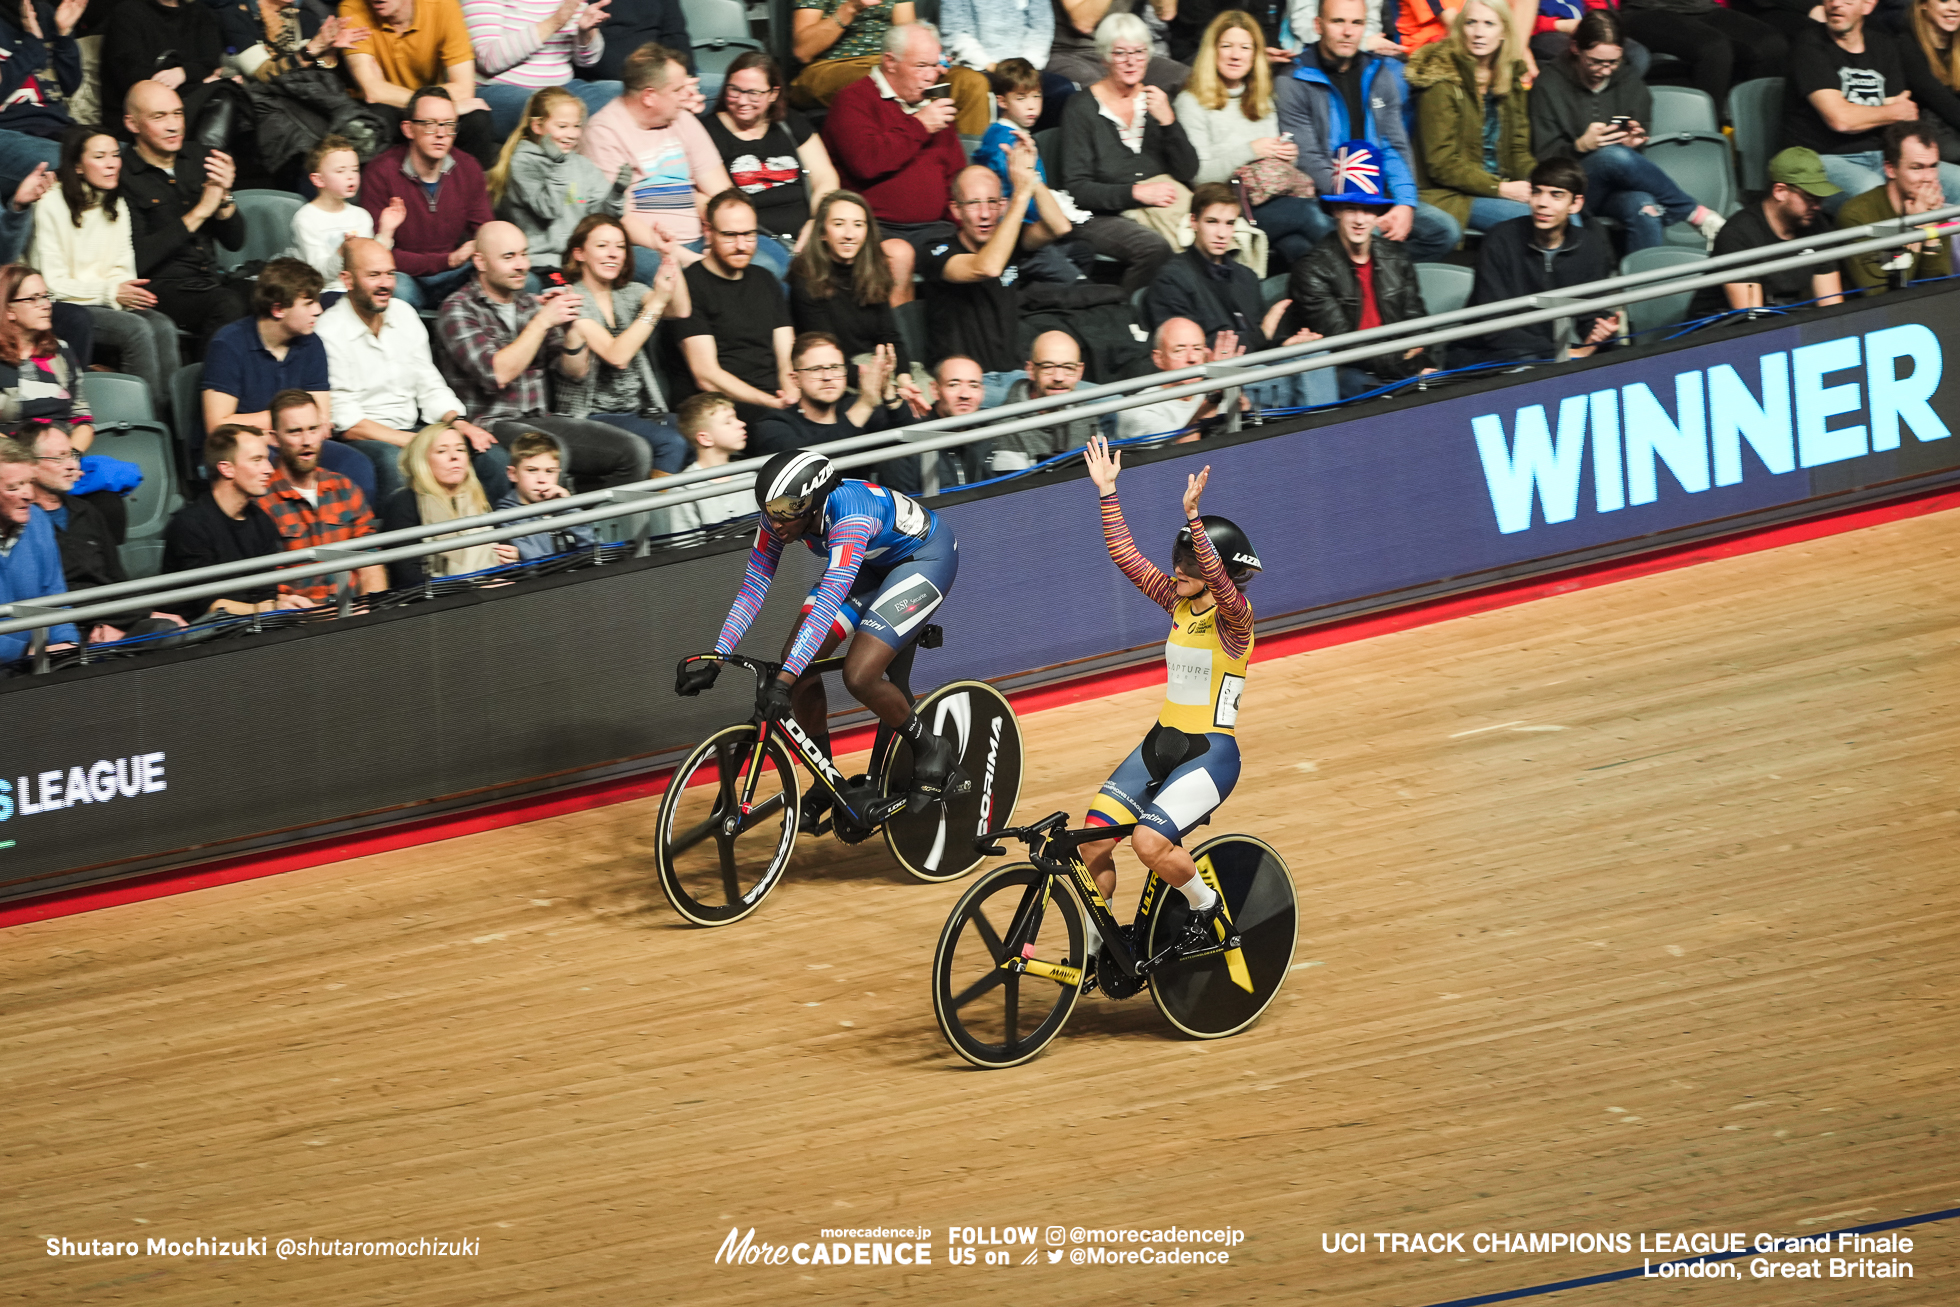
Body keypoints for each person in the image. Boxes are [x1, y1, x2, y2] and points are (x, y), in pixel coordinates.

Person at [675, 446, 967, 819]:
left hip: (924, 560)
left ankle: (931, 748)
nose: (776, 521)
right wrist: (717, 658)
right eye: (769, 509)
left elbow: (830, 598)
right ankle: (824, 779)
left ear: (814, 501)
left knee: (859, 675)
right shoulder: (778, 518)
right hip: (872, 563)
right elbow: (753, 587)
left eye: (785, 511)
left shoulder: (850, 516)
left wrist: (783, 681)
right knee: (795, 663)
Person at [1076, 434, 1257, 953]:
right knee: (1092, 847)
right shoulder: (1177, 602)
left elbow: (1221, 584)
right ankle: (1097, 950)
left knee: (1148, 843)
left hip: (1210, 755)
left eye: (1192, 565)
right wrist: (1108, 493)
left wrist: (1194, 519)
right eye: (1179, 559)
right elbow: (1125, 557)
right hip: (1162, 742)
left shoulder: (1235, 621)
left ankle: (1207, 906)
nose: (1179, 570)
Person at [436, 220, 651, 490]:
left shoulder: (528, 304)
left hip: (540, 418)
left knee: (633, 451)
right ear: (480, 261)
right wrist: (542, 322)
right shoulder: (458, 309)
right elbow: (497, 373)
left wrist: (572, 329)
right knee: (549, 454)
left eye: (524, 254)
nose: (522, 265)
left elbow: (573, 372)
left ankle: (599, 531)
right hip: (491, 423)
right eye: (509, 257)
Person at [320, 236, 504, 501]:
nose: (385, 284)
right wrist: (417, 443)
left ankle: (493, 538)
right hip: (367, 437)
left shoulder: (404, 313)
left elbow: (428, 382)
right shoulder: (329, 331)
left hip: (414, 429)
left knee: (492, 458)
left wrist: (459, 424)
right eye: (374, 275)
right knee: (396, 463)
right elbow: (346, 421)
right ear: (347, 280)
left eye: (390, 274)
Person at [1278, 0, 1460, 262]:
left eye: (1356, 23)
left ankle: (1378, 273)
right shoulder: (1293, 80)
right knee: (1317, 239)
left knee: (1445, 231)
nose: (1348, 31)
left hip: (1378, 194)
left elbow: (1393, 145)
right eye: (1337, 21)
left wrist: (1405, 204)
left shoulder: (1379, 73)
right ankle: (1371, 277)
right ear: (1318, 25)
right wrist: (1361, 209)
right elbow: (1309, 159)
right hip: (1328, 200)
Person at [1528, 11, 1725, 251]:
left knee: (1645, 207)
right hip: (1567, 186)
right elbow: (1543, 159)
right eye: (1595, 61)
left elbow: (1633, 132)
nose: (1605, 70)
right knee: (1613, 156)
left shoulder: (1629, 81)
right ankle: (1694, 212)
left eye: (1613, 62)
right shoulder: (1549, 84)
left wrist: (1634, 143)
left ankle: (1647, 285)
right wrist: (1579, 146)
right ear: (1575, 48)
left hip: (1615, 187)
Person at [1143, 180, 1327, 409]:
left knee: (1316, 353)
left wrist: (1285, 343)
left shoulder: (1245, 276)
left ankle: (1324, 435)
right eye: (1212, 222)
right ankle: (1320, 436)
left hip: (1253, 363)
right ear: (1193, 222)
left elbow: (1258, 340)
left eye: (1229, 224)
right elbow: (1188, 354)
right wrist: (1262, 335)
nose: (1222, 233)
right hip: (1212, 378)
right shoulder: (1170, 279)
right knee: (1289, 381)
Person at [820, 21, 970, 300]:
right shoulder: (853, 101)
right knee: (899, 256)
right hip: (877, 228)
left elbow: (955, 175)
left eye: (935, 65)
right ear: (890, 62)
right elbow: (866, 162)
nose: (932, 76)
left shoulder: (933, 106)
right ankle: (899, 342)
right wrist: (920, 125)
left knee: (979, 256)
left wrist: (964, 225)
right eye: (921, 66)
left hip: (935, 230)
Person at [33, 126, 180, 406]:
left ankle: (172, 427)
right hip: (65, 302)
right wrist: (111, 293)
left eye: (115, 154)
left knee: (163, 326)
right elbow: (52, 284)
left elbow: (123, 269)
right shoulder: (50, 203)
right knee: (137, 330)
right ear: (77, 166)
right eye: (100, 156)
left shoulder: (117, 204)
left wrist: (122, 292)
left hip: (105, 298)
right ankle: (146, 422)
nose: (112, 163)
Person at [1280, 140, 1438, 397]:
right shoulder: (1311, 269)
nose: (1360, 219)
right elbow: (1343, 344)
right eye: (1351, 208)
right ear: (1336, 211)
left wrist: (1420, 363)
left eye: (1367, 209)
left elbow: (1417, 321)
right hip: (1347, 372)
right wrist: (1406, 365)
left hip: (1398, 364)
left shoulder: (1395, 256)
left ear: (1377, 215)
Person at [1177, 10, 1333, 268]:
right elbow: (1198, 176)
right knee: (1310, 215)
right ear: (1212, 51)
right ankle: (1364, 273)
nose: (1235, 55)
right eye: (1226, 46)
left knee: (1301, 250)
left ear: (1255, 54)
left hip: (1273, 200)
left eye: (1245, 47)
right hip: (1226, 210)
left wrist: (1286, 156)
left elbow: (1273, 166)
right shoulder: (1191, 102)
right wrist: (1252, 149)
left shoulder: (1262, 99)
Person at [1058, 12, 1201, 291]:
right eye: (1120, 53)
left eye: (1138, 52)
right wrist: (1135, 193)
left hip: (1161, 203)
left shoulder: (1157, 101)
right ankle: (1131, 321)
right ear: (1104, 58)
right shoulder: (1081, 108)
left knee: (1215, 233)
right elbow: (1078, 188)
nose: (1131, 60)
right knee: (1154, 248)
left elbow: (1188, 170)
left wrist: (1169, 121)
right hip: (1101, 215)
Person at [918, 153, 1073, 406]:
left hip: (1016, 376)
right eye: (974, 203)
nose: (985, 214)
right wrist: (1020, 198)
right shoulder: (936, 249)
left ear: (1002, 206)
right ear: (956, 209)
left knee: (1110, 401)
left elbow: (1059, 227)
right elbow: (987, 267)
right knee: (1053, 407)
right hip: (967, 385)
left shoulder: (1008, 240)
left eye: (992, 202)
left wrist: (1031, 177)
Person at [1785, 0, 1960, 209]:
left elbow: (1903, 116)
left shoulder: (1883, 45)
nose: (1835, 4)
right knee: (1877, 194)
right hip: (1822, 160)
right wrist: (1890, 112)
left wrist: (1917, 167)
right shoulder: (1809, 44)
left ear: (1867, 5)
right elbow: (1841, 120)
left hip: (1880, 157)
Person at [201, 260, 357, 490]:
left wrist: (289, 430)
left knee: (355, 464)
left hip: (297, 443)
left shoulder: (311, 343)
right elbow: (218, 426)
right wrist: (288, 424)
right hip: (246, 450)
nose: (318, 310)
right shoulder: (228, 344)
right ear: (278, 309)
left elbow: (321, 418)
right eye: (308, 303)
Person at [578, 42, 734, 267]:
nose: (686, 96)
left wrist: (721, 233)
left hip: (703, 239)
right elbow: (618, 219)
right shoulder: (603, 133)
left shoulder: (681, 118)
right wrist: (691, 260)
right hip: (644, 247)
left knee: (764, 268)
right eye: (677, 90)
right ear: (649, 96)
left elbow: (722, 193)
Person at [25, 425, 184, 641]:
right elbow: (50, 594)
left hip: (112, 617)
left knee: (169, 629)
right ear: (30, 464)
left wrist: (120, 623)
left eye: (72, 455)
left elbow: (116, 579)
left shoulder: (87, 511)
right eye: (59, 458)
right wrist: (138, 615)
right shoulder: (22, 522)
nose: (73, 465)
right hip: (63, 629)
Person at [119, 81, 247, 345]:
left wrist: (225, 196)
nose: (174, 125)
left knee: (280, 293)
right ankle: (210, 386)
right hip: (161, 288)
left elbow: (235, 241)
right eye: (159, 116)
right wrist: (200, 212)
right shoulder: (122, 176)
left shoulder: (201, 157)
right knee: (226, 305)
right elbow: (137, 258)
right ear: (132, 124)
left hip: (211, 278)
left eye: (177, 113)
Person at [560, 213, 691, 471]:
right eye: (602, 246)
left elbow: (680, 309)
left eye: (620, 246)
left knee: (701, 434)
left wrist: (669, 257)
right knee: (671, 443)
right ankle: (655, 511)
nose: (613, 254)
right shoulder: (570, 299)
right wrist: (655, 302)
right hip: (591, 414)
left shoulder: (630, 292)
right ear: (579, 253)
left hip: (638, 409)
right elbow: (616, 356)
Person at [1461, 156, 1619, 362]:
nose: (1542, 203)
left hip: (1545, 350)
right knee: (1526, 360)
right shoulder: (1499, 239)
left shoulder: (1591, 245)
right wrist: (1562, 353)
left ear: (1576, 204)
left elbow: (1589, 314)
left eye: (1556, 195)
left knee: (1620, 357)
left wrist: (1601, 334)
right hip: (1485, 352)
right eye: (1537, 192)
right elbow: (1494, 327)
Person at [700, 52, 841, 278]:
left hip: (807, 229)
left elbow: (825, 177)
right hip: (754, 237)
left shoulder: (791, 123)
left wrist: (817, 221)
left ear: (773, 94)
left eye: (753, 93)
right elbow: (705, 196)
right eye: (734, 90)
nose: (742, 101)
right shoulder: (707, 132)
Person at [1408, 0, 1537, 237]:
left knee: (1565, 211)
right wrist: (1502, 189)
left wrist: (1543, 182)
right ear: (1460, 29)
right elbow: (1442, 163)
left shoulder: (1510, 76)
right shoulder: (1441, 80)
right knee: (1535, 220)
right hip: (1451, 194)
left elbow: (1518, 149)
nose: (1478, 33)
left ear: (1504, 32)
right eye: (1471, 23)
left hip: (1499, 186)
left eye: (1489, 24)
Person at [160, 424, 316, 620]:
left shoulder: (261, 519)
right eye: (257, 460)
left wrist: (280, 606)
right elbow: (211, 607)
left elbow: (266, 593)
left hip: (251, 628)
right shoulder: (190, 525)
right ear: (227, 469)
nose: (269, 469)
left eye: (267, 459)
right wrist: (272, 608)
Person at [359, 85, 494, 309]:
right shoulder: (381, 171)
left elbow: (486, 232)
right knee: (395, 289)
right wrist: (448, 260)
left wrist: (478, 249)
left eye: (449, 125)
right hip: (402, 273)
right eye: (430, 125)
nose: (441, 134)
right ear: (408, 129)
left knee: (518, 279)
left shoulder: (468, 167)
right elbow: (377, 253)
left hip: (455, 273)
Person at [671, 191, 796, 424]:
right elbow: (707, 376)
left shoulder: (765, 280)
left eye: (748, 234)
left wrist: (791, 396)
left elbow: (786, 354)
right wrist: (770, 403)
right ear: (709, 232)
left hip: (774, 399)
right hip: (717, 406)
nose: (741, 246)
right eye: (730, 235)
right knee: (782, 432)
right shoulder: (689, 286)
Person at [486, 87, 631, 280]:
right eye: (562, 127)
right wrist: (559, 165)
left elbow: (600, 221)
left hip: (579, 261)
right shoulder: (523, 162)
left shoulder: (581, 164)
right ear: (538, 126)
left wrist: (616, 193)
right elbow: (548, 209)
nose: (572, 134)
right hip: (539, 263)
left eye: (577, 126)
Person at [259, 388, 389, 603]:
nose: (307, 440)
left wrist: (370, 612)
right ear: (274, 438)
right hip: (299, 623)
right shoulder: (262, 502)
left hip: (355, 613)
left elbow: (371, 564)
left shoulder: (345, 488)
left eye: (313, 429)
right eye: (294, 431)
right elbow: (269, 586)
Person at [790, 1, 990, 136]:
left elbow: (907, 30)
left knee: (970, 83)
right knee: (882, 81)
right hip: (832, 65)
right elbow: (803, 50)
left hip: (892, 60)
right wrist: (851, 7)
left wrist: (927, 57)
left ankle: (968, 179)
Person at [339, 0, 499, 168]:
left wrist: (432, 109)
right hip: (387, 107)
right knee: (377, 118)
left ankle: (473, 191)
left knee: (477, 119)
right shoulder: (353, 7)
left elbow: (464, 88)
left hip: (424, 99)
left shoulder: (442, 5)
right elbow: (373, 91)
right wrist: (436, 107)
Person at [1692, 147, 1846, 316]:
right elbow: (1752, 320)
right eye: (1809, 198)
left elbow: (1833, 308)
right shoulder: (1737, 234)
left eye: (1820, 198)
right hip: (1719, 332)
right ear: (1780, 192)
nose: (1818, 206)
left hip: (1782, 322)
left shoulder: (1818, 225)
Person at [787, 189, 911, 386]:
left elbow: (889, 336)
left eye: (858, 225)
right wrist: (881, 383)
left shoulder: (874, 271)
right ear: (822, 233)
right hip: (835, 376)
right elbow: (825, 356)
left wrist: (904, 379)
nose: (849, 235)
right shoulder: (805, 280)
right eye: (838, 224)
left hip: (877, 368)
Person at [462, 0, 621, 139]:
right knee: (547, 110)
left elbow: (587, 61)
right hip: (499, 91)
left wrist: (585, 31)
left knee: (625, 94)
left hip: (560, 88)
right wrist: (555, 21)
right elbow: (488, 60)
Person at [377, 420, 500, 586]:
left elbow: (503, 545)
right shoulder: (404, 502)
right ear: (422, 460)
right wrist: (474, 588)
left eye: (460, 449)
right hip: (438, 603)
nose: (454, 456)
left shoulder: (479, 496)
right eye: (442, 451)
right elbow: (409, 578)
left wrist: (511, 558)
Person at [1839, 120, 1955, 291]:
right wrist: (1914, 229)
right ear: (1890, 169)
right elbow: (1881, 292)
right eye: (1917, 168)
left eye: (1933, 166)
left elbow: (1938, 286)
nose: (1929, 177)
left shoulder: (1933, 208)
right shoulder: (1857, 215)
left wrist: (1930, 233)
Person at [1617, 0, 1787, 114]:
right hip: (1646, 9)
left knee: (1772, 45)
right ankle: (1710, 138)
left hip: (1703, 8)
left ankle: (1754, 136)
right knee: (1714, 49)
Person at [751, 333, 901, 454]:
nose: (828, 377)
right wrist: (865, 405)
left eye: (835, 367)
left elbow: (908, 439)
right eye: (816, 369)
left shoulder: (850, 406)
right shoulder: (772, 426)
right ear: (795, 379)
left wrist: (889, 394)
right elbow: (807, 465)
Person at [0, 437, 81, 660]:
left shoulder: (37, 521)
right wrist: (26, 653)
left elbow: (54, 595)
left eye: (29, 483)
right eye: (14, 487)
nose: (29, 495)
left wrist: (67, 644)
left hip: (37, 660)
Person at [99, 0, 226, 132]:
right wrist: (203, 86)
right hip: (138, 121)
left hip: (190, 109)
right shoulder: (126, 13)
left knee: (230, 97)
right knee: (223, 98)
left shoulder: (200, 12)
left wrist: (183, 74)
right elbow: (137, 79)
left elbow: (210, 62)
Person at [1115, 316, 1246, 442]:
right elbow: (1182, 456)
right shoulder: (1136, 410)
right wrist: (1215, 394)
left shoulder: (1215, 393)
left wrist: (1233, 389)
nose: (1192, 358)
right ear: (1159, 358)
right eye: (1179, 350)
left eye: (1197, 348)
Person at [293, 135, 404, 282]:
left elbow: (371, 264)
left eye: (355, 170)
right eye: (340, 171)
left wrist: (386, 231)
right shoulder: (306, 219)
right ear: (318, 179)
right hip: (324, 292)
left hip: (360, 289)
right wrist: (343, 252)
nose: (351, 177)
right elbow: (319, 275)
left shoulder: (360, 216)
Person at [992, 329, 1106, 472]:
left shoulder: (1087, 415)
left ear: (1079, 372)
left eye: (1068, 368)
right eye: (1048, 367)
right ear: (1031, 370)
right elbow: (1016, 490)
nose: (1059, 377)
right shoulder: (1005, 426)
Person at [649, 391, 752, 543]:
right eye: (728, 422)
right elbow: (686, 552)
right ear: (705, 438)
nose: (741, 423)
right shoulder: (684, 490)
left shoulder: (750, 478)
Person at [490, 428, 597, 561]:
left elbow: (594, 552)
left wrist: (570, 508)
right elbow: (540, 566)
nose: (542, 479)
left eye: (549, 471)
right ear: (512, 474)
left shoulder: (564, 506)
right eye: (532, 470)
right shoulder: (507, 517)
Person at [1046, 0, 1188, 99]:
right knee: (1102, 94)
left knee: (1188, 80)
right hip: (1071, 53)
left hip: (1124, 51)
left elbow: (1165, 13)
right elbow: (1083, 22)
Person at [0, 0, 83, 152]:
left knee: (124, 156)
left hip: (60, 128)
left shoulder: (47, 13)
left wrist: (64, 35)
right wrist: (32, 45)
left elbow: (69, 86)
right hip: (10, 130)